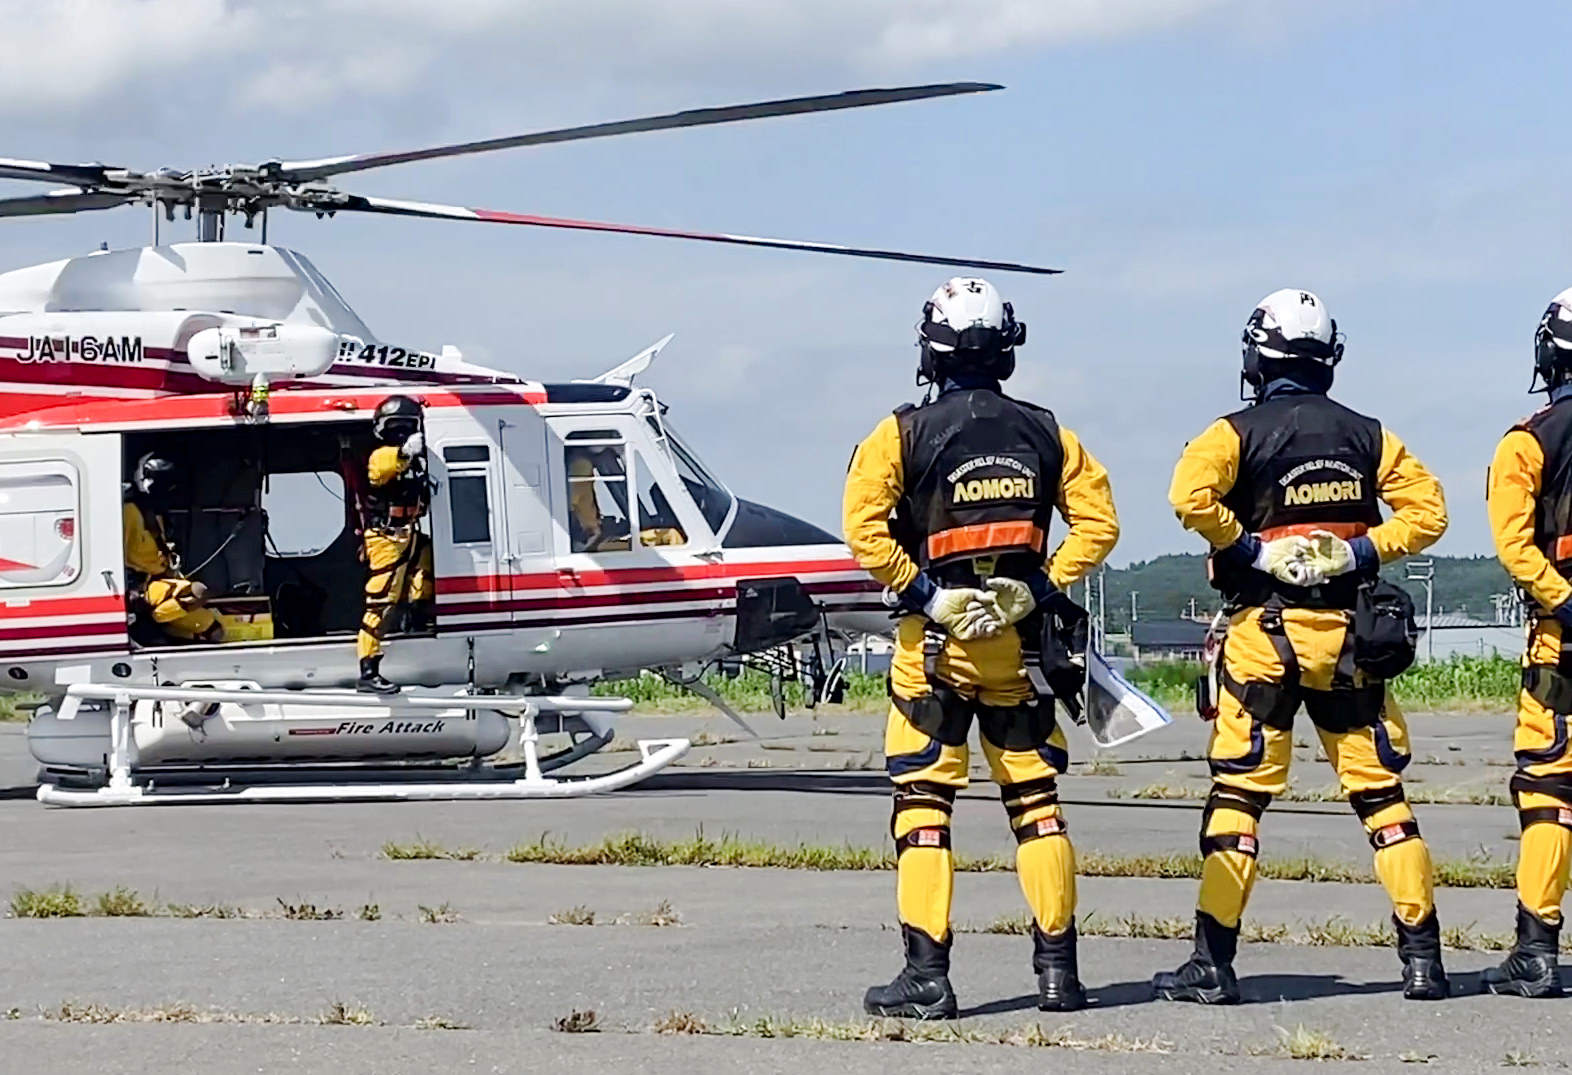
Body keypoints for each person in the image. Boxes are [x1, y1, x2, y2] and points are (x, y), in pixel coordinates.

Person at [1155, 288, 1450, 1005]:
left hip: (1266, 635)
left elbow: (1188, 497)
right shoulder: (1368, 434)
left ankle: (1212, 960)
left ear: (1257, 356)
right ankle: (1423, 960)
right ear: (1330, 361)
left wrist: (1252, 546)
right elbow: (1430, 511)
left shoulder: (1234, 433)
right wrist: (1355, 554)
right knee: (1381, 796)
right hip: (1352, 636)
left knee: (1241, 794)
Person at [843, 277, 1119, 1019]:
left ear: (931, 348)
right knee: (1037, 804)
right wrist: (1035, 587)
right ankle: (1059, 974)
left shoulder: (900, 433)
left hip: (933, 647)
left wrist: (928, 593)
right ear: (1007, 350)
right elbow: (1099, 524)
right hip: (1021, 649)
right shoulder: (1048, 433)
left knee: (925, 806)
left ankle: (927, 978)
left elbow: (864, 528)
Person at [1480, 287, 1572, 998]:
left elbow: (1515, 545)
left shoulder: (1529, 439)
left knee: (1549, 785)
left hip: (1562, 641)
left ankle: (1536, 948)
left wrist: (1564, 600)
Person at [357, 395, 433, 694]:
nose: (403, 434)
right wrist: (404, 452)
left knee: (425, 572)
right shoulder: (383, 456)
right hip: (386, 538)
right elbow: (381, 472)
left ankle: (415, 619)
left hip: (409, 533)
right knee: (380, 602)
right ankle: (368, 669)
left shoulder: (415, 462)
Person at [123, 452, 223, 644]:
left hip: (161, 583)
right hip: (141, 589)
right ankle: (154, 619)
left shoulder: (157, 517)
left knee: (216, 632)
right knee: (196, 592)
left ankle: (165, 626)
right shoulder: (128, 513)